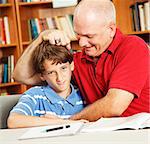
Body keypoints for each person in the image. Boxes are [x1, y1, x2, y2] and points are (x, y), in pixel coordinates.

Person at [13, 0, 150, 122]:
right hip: (102, 133)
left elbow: (114, 105)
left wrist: (69, 121)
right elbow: (21, 76)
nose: (82, 43)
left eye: (89, 36)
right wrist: (42, 37)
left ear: (111, 29)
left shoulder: (133, 47)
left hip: (139, 131)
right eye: (78, 35)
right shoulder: (77, 61)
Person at [7, 41, 85, 128]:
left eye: (63, 68)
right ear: (42, 76)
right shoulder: (35, 96)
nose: (59, 78)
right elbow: (13, 121)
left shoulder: (83, 95)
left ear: (72, 66)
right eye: (51, 72)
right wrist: (61, 122)